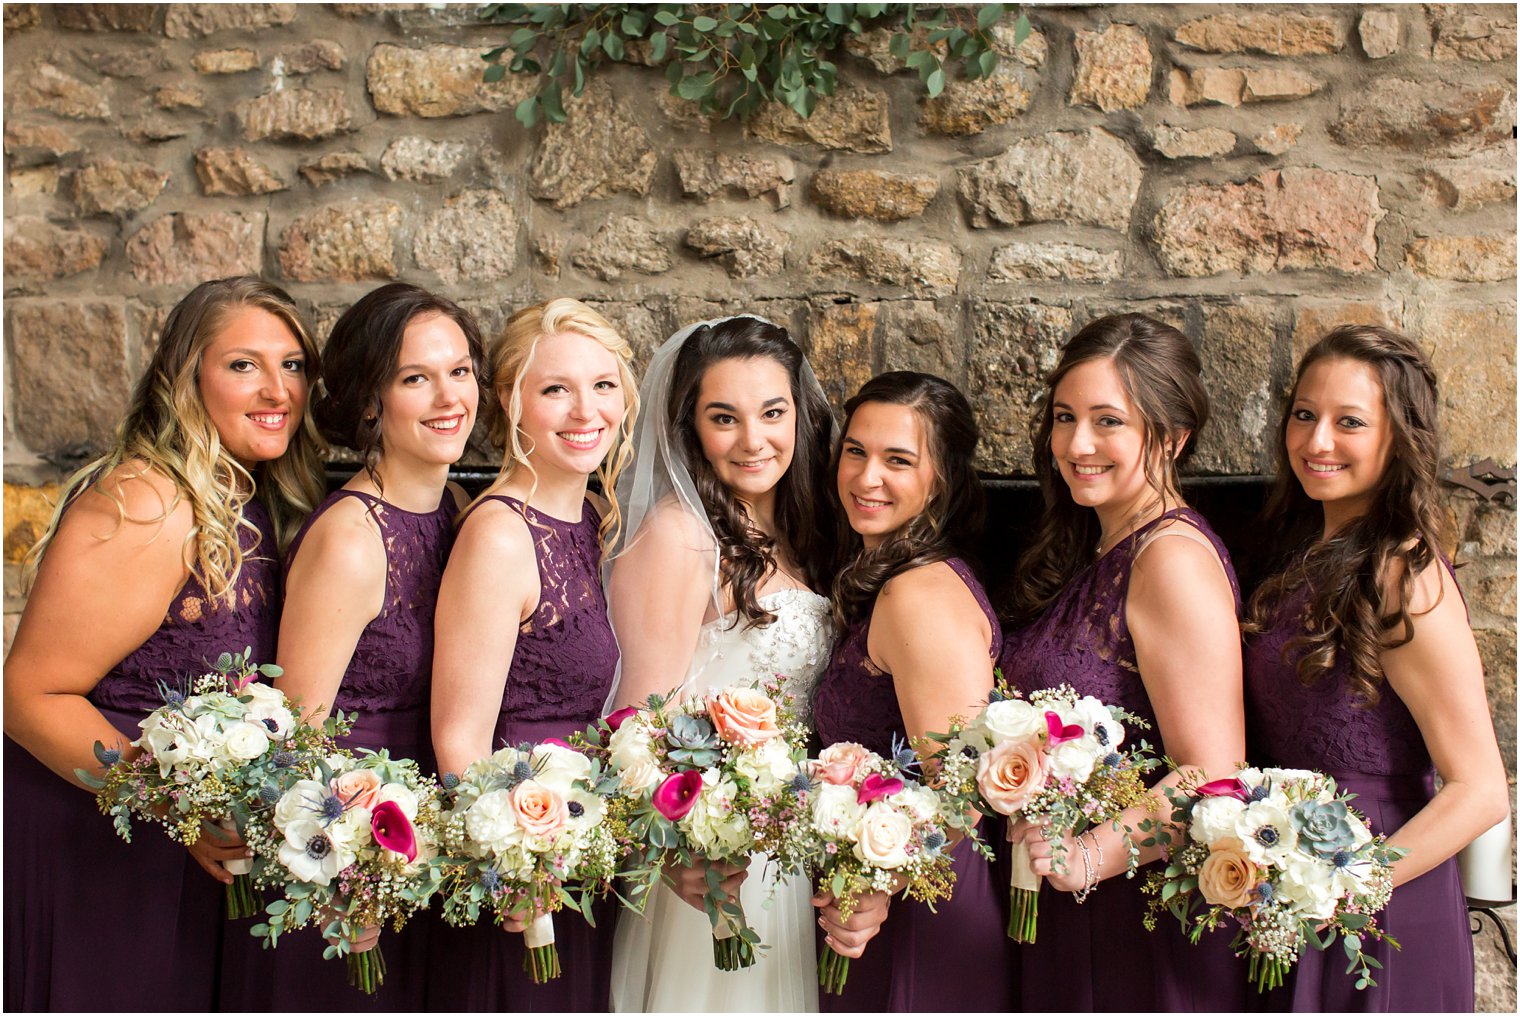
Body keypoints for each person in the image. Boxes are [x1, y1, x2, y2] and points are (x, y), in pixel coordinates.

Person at [3, 276, 325, 1011]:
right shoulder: (151, 502)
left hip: (169, 849)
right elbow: (26, 696)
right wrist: (172, 805)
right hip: (90, 842)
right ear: (188, 378)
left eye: (294, 364)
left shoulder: (250, 497)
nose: (278, 389)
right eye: (243, 364)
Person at [218, 282, 485, 1011]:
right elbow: (292, 739)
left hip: (421, 856)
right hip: (344, 881)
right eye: (415, 379)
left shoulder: (456, 510)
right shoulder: (350, 540)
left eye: (459, 371)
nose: (447, 397)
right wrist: (344, 876)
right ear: (372, 401)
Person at [1243, 325, 1508, 1012]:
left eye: (1349, 422)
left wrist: (1348, 884)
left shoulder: (1402, 573)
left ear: (1399, 440)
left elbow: (1479, 790)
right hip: (1297, 885)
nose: (1316, 441)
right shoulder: (1311, 550)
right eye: (1304, 414)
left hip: (1381, 903)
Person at [1000, 313, 1248, 1011]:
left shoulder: (1169, 559)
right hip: (1073, 906)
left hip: (1132, 918)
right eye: (1064, 417)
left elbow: (1213, 774)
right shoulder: (1103, 546)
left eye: (1108, 421)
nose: (1077, 444)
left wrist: (1085, 858)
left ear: (1172, 437)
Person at [606, 315, 837, 1013]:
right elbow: (632, 723)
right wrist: (687, 845)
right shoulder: (679, 537)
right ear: (690, 428)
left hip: (787, 852)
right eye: (723, 418)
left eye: (772, 413)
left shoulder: (805, 531)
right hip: (710, 858)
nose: (753, 439)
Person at [428, 298, 638, 1011]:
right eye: (556, 389)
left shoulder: (592, 518)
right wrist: (514, 866)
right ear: (512, 405)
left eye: (603, 386)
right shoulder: (499, 536)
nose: (587, 411)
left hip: (582, 858)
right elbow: (459, 737)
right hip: (522, 881)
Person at [811, 370, 1016, 1012]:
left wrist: (879, 881)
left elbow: (962, 791)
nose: (867, 478)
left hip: (917, 904)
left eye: (898, 460)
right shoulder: (887, 576)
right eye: (856, 451)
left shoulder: (917, 595)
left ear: (942, 480)